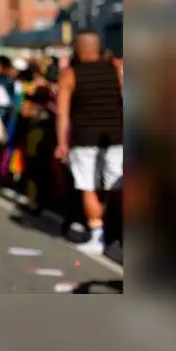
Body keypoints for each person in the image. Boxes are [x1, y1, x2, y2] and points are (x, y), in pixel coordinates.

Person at [55, 31, 124, 255]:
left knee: (88, 186)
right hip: (117, 136)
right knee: (118, 187)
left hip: (85, 138)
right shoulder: (115, 69)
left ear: (78, 49)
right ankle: (118, 230)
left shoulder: (69, 74)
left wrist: (61, 143)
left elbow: (62, 113)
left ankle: (97, 235)